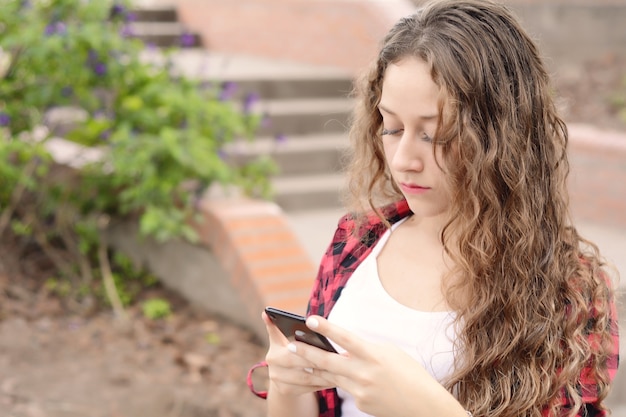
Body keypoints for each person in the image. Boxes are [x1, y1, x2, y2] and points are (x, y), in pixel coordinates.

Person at [247, 0, 620, 416]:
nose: (404, 157)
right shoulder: (359, 240)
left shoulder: (568, 288)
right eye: (392, 127)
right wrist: (288, 385)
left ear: (502, 138)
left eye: (436, 134)